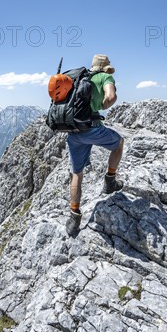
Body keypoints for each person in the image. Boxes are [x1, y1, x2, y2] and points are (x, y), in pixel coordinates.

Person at [65, 54, 124, 237]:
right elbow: (111, 96)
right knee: (119, 143)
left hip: (74, 133)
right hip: (93, 129)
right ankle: (110, 180)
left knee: (77, 174)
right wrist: (104, 105)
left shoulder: (80, 78)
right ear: (105, 67)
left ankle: (74, 216)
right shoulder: (105, 77)